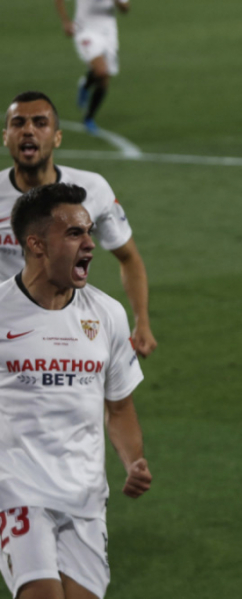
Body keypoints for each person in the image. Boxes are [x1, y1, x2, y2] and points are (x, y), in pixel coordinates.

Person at [0, 182, 151, 599]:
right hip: (16, 491)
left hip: (85, 498)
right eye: (74, 233)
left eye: (88, 231)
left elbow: (119, 407)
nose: (90, 243)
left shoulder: (107, 314)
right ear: (36, 245)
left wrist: (133, 461)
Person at [2, 91, 157, 358]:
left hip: (69, 332)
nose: (28, 130)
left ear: (57, 137)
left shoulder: (92, 189)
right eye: (18, 123)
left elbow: (128, 257)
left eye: (40, 123)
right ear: (6, 137)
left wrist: (141, 322)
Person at [53, 0, 131, 134]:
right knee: (101, 71)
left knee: (104, 80)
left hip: (109, 33)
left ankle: (88, 115)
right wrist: (65, 21)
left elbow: (125, 9)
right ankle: (86, 91)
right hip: (85, 30)